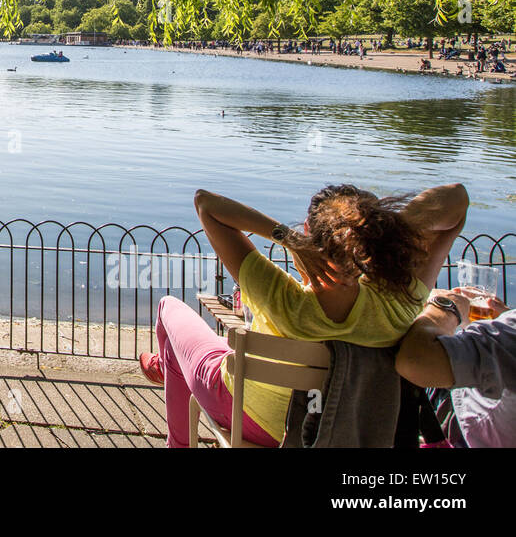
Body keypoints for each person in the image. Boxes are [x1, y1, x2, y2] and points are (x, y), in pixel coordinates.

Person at [143, 183, 467, 447]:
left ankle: (177, 438)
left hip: (247, 417)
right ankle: (169, 364)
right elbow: (456, 198)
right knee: (219, 347)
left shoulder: (285, 299)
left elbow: (206, 203)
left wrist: (291, 240)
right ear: (375, 237)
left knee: (169, 309)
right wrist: (381, 233)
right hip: (330, 427)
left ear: (310, 231)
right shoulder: (400, 299)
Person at [395, 286, 515, 447]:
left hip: (471, 429)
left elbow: (415, 361)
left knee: (400, 344)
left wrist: (445, 307)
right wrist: (501, 322)